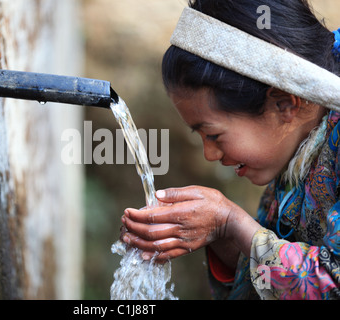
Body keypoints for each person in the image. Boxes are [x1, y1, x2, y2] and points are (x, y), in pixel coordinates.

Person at [120, 0, 340, 299]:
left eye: (213, 135)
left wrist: (231, 221)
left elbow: (331, 285)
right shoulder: (293, 160)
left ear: (285, 104)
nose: (210, 154)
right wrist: (221, 236)